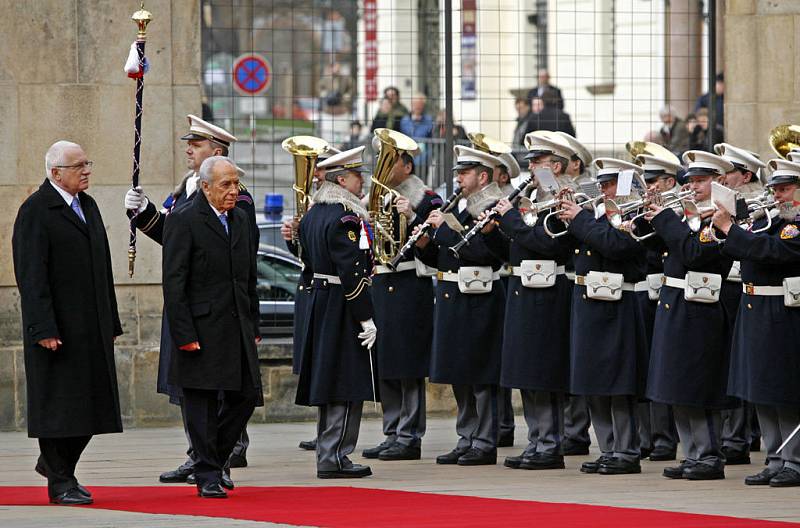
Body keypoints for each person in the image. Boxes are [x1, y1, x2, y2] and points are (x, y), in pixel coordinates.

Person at [124, 114, 257, 483]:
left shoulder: (237, 201)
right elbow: (176, 244)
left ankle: (217, 460)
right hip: (195, 314)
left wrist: (253, 320)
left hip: (226, 315)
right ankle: (203, 461)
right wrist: (143, 212)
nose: (187, 149)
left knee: (237, 394)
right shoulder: (187, 192)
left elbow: (243, 269)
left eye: (195, 145)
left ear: (215, 151)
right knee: (195, 396)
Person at [13, 140, 123, 505]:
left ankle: (56, 465)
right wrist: (43, 328)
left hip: (91, 327)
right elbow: (31, 276)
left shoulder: (87, 206)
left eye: (87, 163)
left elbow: (102, 269)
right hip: (57, 331)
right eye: (79, 166)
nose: (87, 170)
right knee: (60, 409)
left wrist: (111, 321)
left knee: (91, 407)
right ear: (56, 172)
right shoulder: (36, 210)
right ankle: (61, 482)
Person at [162, 156, 261, 498]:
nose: (233, 191)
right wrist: (184, 334)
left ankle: (211, 459)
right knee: (201, 404)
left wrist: (254, 322)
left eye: (236, 184)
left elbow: (249, 277)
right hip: (201, 329)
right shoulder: (184, 219)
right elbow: (174, 284)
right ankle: (207, 474)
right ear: (205, 187)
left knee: (246, 396)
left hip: (237, 327)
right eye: (225, 185)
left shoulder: (243, 220)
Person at [483, 134, 576, 470]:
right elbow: (517, 250)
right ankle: (536, 440)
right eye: (531, 162)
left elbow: (547, 243)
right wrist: (493, 234)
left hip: (548, 294)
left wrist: (510, 220)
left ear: (556, 165)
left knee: (543, 373)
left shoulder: (564, 197)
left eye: (538, 162)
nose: (531, 167)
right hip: (524, 290)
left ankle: (550, 445)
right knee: (524, 372)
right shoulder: (531, 196)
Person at [643, 150, 735, 481]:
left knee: (697, 386)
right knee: (675, 385)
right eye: (691, 181)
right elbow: (661, 248)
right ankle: (692, 453)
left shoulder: (722, 217)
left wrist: (665, 219)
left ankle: (709, 455)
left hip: (700, 306)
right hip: (674, 301)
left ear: (720, 181)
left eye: (701, 181)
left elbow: (695, 253)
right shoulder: (687, 216)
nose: (693, 187)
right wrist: (646, 215)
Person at [559, 158, 649, 475]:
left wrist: (580, 219)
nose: (603, 190)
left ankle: (626, 450)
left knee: (617, 383)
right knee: (592, 381)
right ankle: (608, 448)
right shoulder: (595, 215)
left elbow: (617, 245)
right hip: (588, 302)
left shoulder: (634, 215)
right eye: (602, 184)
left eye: (610, 184)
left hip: (617, 303)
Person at [715, 155, 800, 487]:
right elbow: (742, 247)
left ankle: (794, 459)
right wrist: (729, 228)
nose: (777, 195)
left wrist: (730, 229)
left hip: (783, 311)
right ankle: (776, 456)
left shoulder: (794, 225)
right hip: (755, 308)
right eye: (775, 189)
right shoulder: (769, 219)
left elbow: (774, 251)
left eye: (786, 188)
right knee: (760, 389)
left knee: (784, 390)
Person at [419, 146, 506, 466]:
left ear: (483, 176)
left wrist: (444, 229)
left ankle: (484, 441)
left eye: (464, 173)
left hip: (479, 298)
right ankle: (466, 436)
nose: (458, 178)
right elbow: (446, 256)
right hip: (453, 296)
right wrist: (424, 243)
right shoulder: (461, 206)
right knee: (459, 372)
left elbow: (483, 252)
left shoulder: (494, 208)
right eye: (458, 173)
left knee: (480, 374)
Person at [294, 146, 377, 479]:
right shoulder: (346, 218)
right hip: (342, 306)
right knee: (345, 380)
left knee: (330, 382)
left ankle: (329, 452)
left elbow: (307, 262)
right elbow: (353, 272)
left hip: (320, 302)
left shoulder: (314, 214)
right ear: (342, 179)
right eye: (357, 176)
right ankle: (335, 455)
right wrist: (366, 316)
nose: (362, 183)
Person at [362, 148, 443, 462]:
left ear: (407, 166)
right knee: (386, 363)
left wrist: (412, 215)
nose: (383, 167)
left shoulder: (427, 199)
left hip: (411, 284)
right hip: (382, 283)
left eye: (391, 161)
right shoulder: (380, 198)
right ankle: (392, 431)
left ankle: (409, 436)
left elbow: (434, 248)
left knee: (408, 365)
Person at [280, 144, 341, 453]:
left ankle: (332, 441)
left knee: (333, 371)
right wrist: (295, 239)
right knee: (320, 369)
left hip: (334, 295)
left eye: (322, 168)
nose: (316, 174)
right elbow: (309, 259)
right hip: (314, 291)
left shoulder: (341, 211)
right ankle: (325, 436)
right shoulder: (317, 208)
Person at [714, 142, 767, 466]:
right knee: (730, 362)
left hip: (744, 287)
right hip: (726, 286)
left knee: (746, 363)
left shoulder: (755, 204)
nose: (722, 178)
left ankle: (739, 437)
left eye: (727, 173)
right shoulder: (724, 202)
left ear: (744, 175)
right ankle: (734, 434)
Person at [629, 154, 682, 463]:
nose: (647, 189)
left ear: (669, 183)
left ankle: (664, 438)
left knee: (663, 366)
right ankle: (645, 436)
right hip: (643, 290)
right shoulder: (644, 210)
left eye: (652, 183)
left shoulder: (678, 211)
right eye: (644, 183)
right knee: (643, 364)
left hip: (668, 289)